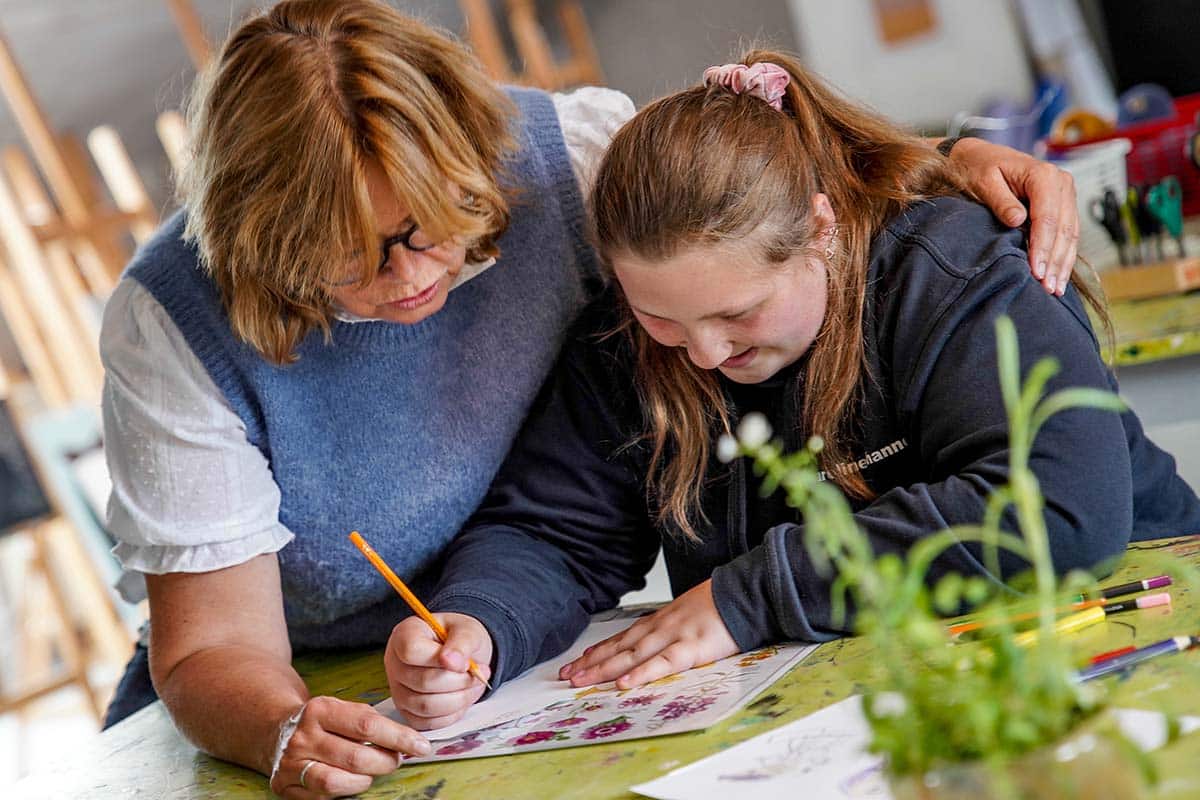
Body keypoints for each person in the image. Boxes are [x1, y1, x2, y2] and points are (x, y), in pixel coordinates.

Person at [99, 0, 1083, 793]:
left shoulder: (575, 161)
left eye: (428, 228)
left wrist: (934, 176)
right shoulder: (174, 320)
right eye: (347, 263)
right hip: (338, 688)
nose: (407, 279)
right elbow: (224, 643)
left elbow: (734, 177)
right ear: (266, 253)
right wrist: (372, 681)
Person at [387, 51, 1200, 728]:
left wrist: (754, 597)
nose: (703, 353)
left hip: (1142, 635)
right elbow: (557, 532)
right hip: (864, 701)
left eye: (739, 312)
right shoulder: (627, 339)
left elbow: (1062, 506)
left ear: (822, 228)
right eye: (662, 319)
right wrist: (482, 622)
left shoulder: (946, 271)